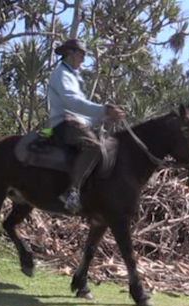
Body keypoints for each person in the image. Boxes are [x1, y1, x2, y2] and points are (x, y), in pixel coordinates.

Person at [47, 39, 125, 213]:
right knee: (93, 147)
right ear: (71, 53)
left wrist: (104, 118)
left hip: (74, 122)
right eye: (81, 55)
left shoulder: (73, 76)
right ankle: (71, 191)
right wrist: (104, 109)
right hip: (64, 122)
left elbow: (82, 116)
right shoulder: (61, 74)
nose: (83, 60)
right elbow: (73, 103)